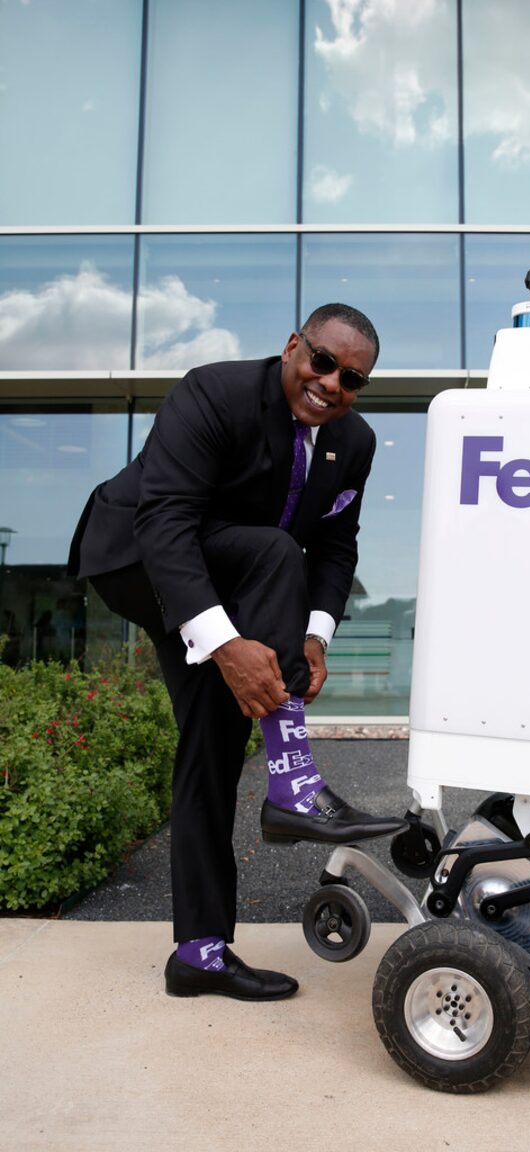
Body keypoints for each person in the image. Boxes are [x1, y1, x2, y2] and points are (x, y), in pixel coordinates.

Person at [68, 303, 406, 1002]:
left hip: (228, 578)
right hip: (133, 554)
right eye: (322, 361)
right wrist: (227, 647)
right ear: (292, 347)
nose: (331, 384)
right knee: (276, 551)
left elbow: (337, 546)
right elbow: (165, 520)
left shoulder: (356, 442)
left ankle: (200, 952)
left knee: (213, 745)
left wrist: (313, 635)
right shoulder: (214, 393)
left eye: (352, 378)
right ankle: (294, 780)